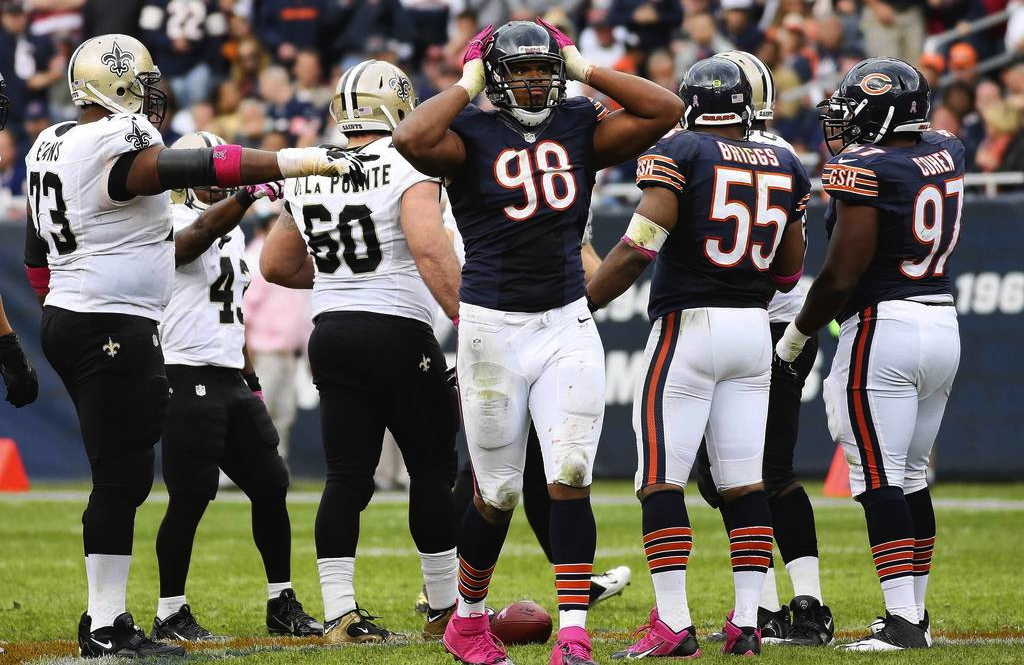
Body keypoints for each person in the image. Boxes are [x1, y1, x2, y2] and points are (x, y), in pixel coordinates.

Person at [22, 33, 371, 659]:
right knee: (122, 480)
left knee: (122, 477)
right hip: (109, 323)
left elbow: (33, 254)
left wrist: (56, 306)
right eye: (142, 84)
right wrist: (294, 160)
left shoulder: (53, 140)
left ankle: (108, 620)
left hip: (78, 316)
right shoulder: (117, 140)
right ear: (115, 83)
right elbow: (189, 169)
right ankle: (106, 626)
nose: (151, 97)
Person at [393, 18, 683, 665]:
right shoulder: (469, 130)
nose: (532, 80)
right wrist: (466, 84)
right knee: (496, 491)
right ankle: (467, 622)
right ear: (495, 76)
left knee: (571, 473)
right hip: (491, 327)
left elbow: (664, 109)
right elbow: (410, 136)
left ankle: (574, 633)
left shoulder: (577, 121)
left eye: (542, 68)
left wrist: (585, 68)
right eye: (519, 69)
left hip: (565, 321)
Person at [586, 57, 810, 658]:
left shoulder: (681, 149)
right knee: (745, 483)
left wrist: (584, 304)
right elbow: (790, 269)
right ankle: (747, 624)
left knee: (660, 479)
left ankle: (674, 623)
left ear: (690, 103)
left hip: (688, 325)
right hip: (753, 332)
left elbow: (639, 245)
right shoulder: (785, 161)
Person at [260, 60, 463, 644]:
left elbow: (276, 264)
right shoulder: (407, 161)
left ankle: (340, 613)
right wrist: (468, 319)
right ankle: (444, 610)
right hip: (396, 329)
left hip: (332, 331)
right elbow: (429, 249)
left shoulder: (310, 166)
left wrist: (342, 279)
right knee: (431, 470)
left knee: (346, 477)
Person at [776, 57, 962, 651]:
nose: (842, 124)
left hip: (885, 328)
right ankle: (916, 615)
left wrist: (798, 334)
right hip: (941, 319)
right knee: (910, 477)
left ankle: (902, 621)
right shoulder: (947, 149)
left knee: (880, 478)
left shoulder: (863, 167)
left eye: (853, 112)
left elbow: (840, 275)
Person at [150, 131, 321, 642]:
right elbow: (193, 238)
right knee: (191, 496)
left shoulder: (232, 232)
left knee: (271, 484)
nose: (215, 185)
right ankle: (169, 612)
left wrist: (250, 379)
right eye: (206, 175)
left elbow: (233, 313)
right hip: (184, 373)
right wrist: (246, 195)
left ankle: (281, 602)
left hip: (229, 375)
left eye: (219, 175)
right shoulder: (165, 219)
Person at [691, 50, 834, 648]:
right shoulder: (781, 155)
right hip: (776, 320)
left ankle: (799, 607)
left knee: (751, 474)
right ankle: (778, 605)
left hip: (756, 320)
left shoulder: (704, 152)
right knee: (743, 474)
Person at [436, 219, 632, 616]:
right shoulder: (545, 188)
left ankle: (445, 588)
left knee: (548, 471)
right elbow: (591, 268)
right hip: (507, 325)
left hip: (504, 326)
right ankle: (446, 590)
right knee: (494, 480)